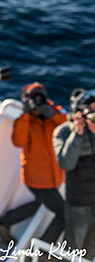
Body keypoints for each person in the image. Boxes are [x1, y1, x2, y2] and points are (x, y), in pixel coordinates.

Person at [0, 83, 66, 245]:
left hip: (54, 176)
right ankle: (43, 249)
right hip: (37, 179)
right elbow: (18, 141)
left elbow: (68, 128)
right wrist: (25, 115)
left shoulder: (54, 114)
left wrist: (51, 114)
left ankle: (2, 223)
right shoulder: (25, 122)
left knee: (41, 204)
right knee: (64, 214)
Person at [53, 88, 95, 252]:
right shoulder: (63, 132)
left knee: (91, 246)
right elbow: (66, 163)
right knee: (73, 247)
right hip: (78, 203)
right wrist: (78, 133)